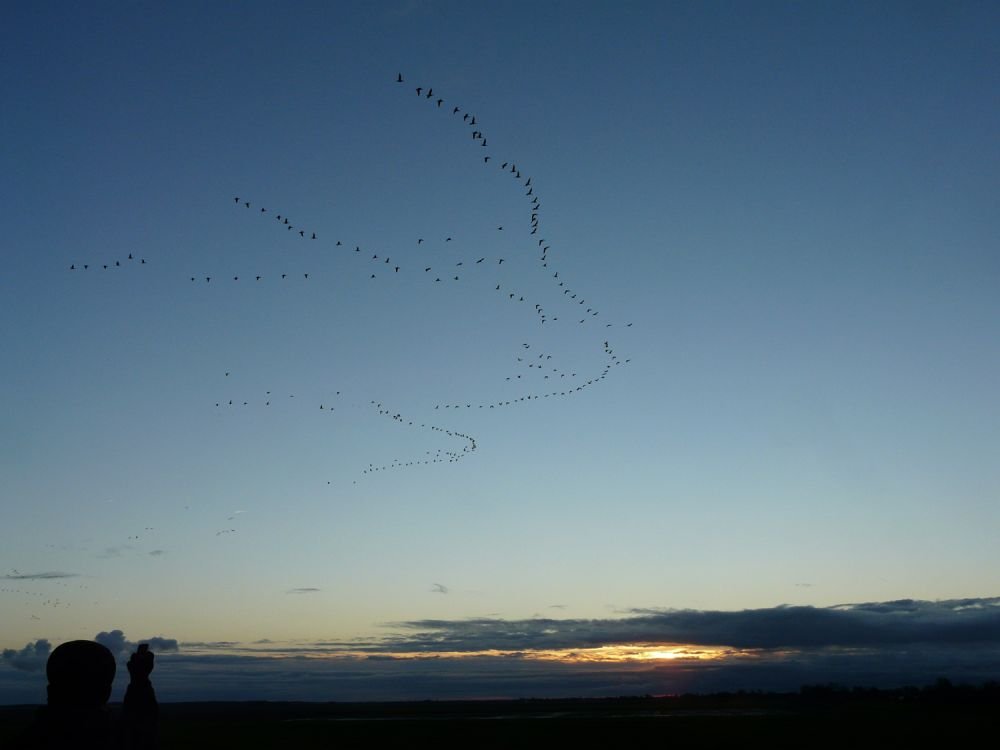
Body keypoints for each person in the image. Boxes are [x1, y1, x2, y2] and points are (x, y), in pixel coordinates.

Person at [15, 640, 158, 749]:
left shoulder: (30, 739)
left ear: (50, 691)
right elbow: (142, 726)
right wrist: (140, 679)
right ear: (106, 692)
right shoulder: (117, 739)